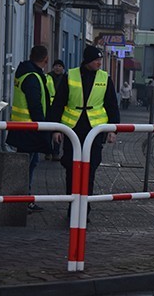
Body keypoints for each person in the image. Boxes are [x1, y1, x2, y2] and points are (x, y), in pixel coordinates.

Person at [48, 46, 120, 218]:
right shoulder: (70, 76)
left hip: (94, 131)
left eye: (100, 60)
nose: (99, 63)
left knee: (90, 170)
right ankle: (72, 208)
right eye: (96, 60)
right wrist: (55, 128)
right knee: (72, 170)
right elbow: (58, 103)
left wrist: (113, 129)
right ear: (87, 60)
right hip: (73, 130)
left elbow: (111, 104)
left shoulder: (104, 78)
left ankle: (84, 210)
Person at [5, 45, 52, 212]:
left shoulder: (24, 72)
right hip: (30, 128)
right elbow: (35, 105)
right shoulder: (32, 77)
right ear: (45, 59)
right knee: (27, 165)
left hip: (23, 127)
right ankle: (22, 199)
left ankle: (24, 198)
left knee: (30, 162)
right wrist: (43, 126)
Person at [45, 59, 65, 161]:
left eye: (60, 66)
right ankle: (48, 152)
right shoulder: (47, 77)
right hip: (49, 107)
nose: (58, 68)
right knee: (48, 131)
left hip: (60, 108)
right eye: (56, 66)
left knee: (58, 131)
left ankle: (56, 153)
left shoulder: (66, 79)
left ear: (63, 68)